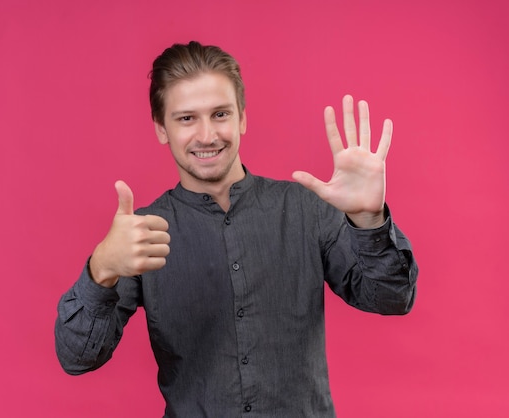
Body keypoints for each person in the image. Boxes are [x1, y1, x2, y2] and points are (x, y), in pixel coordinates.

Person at [55, 41, 418, 417]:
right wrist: (102, 270)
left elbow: (391, 298)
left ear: (242, 118)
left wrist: (368, 220)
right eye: (186, 119)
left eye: (220, 114)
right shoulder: (144, 233)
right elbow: (77, 357)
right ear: (161, 128)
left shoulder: (305, 209)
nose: (207, 135)